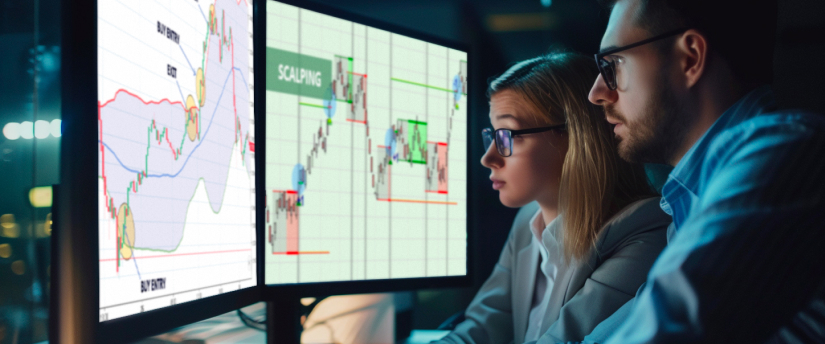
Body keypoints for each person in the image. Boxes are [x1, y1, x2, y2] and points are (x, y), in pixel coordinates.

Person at [564, 0, 825, 342]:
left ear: (689, 57)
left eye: (612, 65)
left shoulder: (785, 153)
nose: (596, 93)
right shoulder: (689, 202)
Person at [436, 51, 671, 344]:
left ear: (577, 137)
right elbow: (482, 328)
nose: (488, 158)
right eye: (493, 135)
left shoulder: (644, 234)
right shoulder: (528, 222)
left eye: (507, 135)